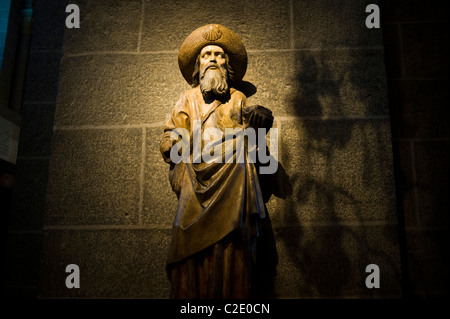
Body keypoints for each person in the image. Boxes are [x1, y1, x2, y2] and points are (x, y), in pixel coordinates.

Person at [160, 24, 275, 298]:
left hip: (233, 180)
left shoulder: (237, 98)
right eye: (206, 54)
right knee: (189, 249)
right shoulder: (188, 98)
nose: (212, 58)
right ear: (197, 66)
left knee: (233, 245)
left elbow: (255, 124)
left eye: (219, 54)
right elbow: (172, 135)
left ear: (228, 65)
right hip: (195, 182)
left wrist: (261, 120)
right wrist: (172, 142)